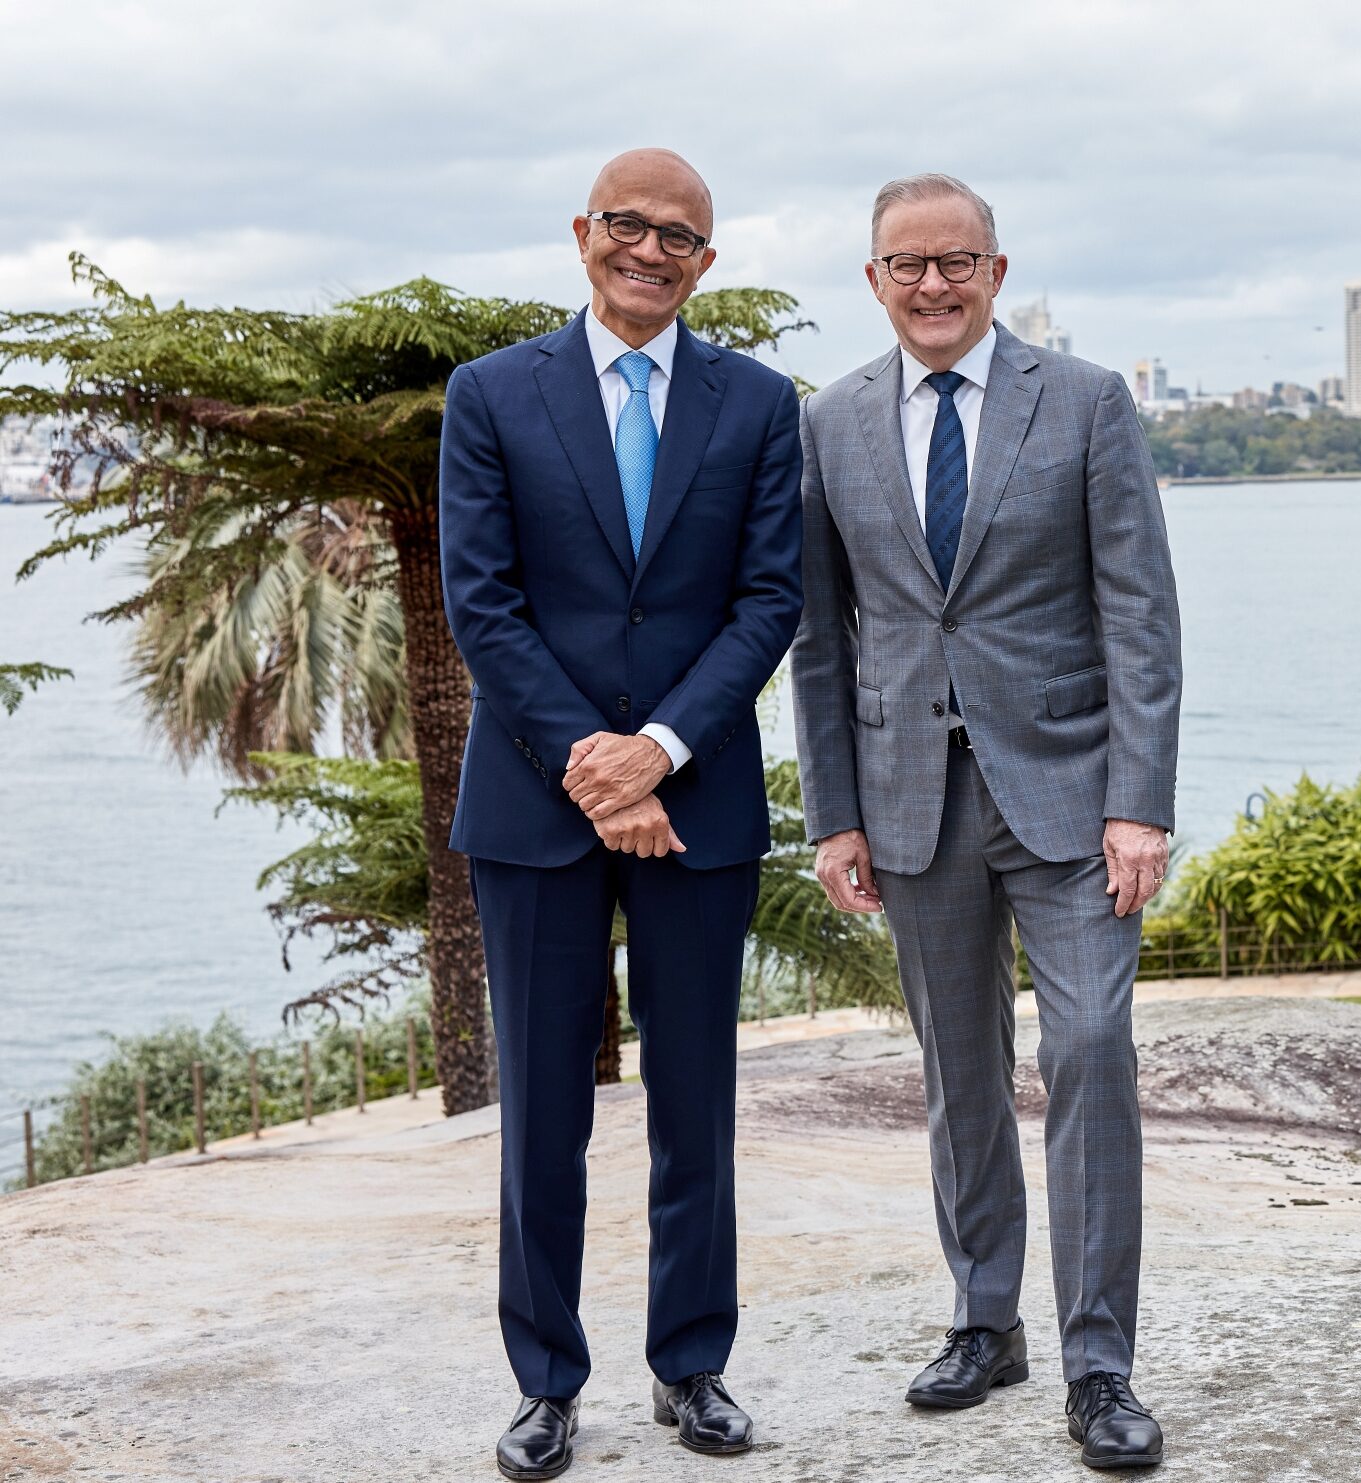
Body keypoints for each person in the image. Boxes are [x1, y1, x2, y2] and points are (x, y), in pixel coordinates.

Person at [790, 173, 1181, 1470]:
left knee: (1088, 1052)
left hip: (1074, 801)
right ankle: (983, 1321)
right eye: (908, 265)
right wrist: (835, 811)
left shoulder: (1083, 404)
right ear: (874, 281)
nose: (934, 286)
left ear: (997, 273)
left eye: (957, 262)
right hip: (911, 802)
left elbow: (1140, 615)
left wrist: (1140, 803)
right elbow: (822, 640)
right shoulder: (831, 423)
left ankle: (1100, 1360)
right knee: (959, 1075)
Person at [438, 148, 804, 1481]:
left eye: (681, 238)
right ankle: (545, 1381)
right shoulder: (490, 396)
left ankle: (691, 1365)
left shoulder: (761, 406)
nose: (651, 251)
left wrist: (654, 753)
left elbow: (769, 601)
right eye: (629, 227)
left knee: (695, 1101)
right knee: (543, 1110)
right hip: (533, 813)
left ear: (708, 262)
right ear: (583, 233)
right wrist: (593, 766)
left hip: (697, 800)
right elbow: (482, 602)